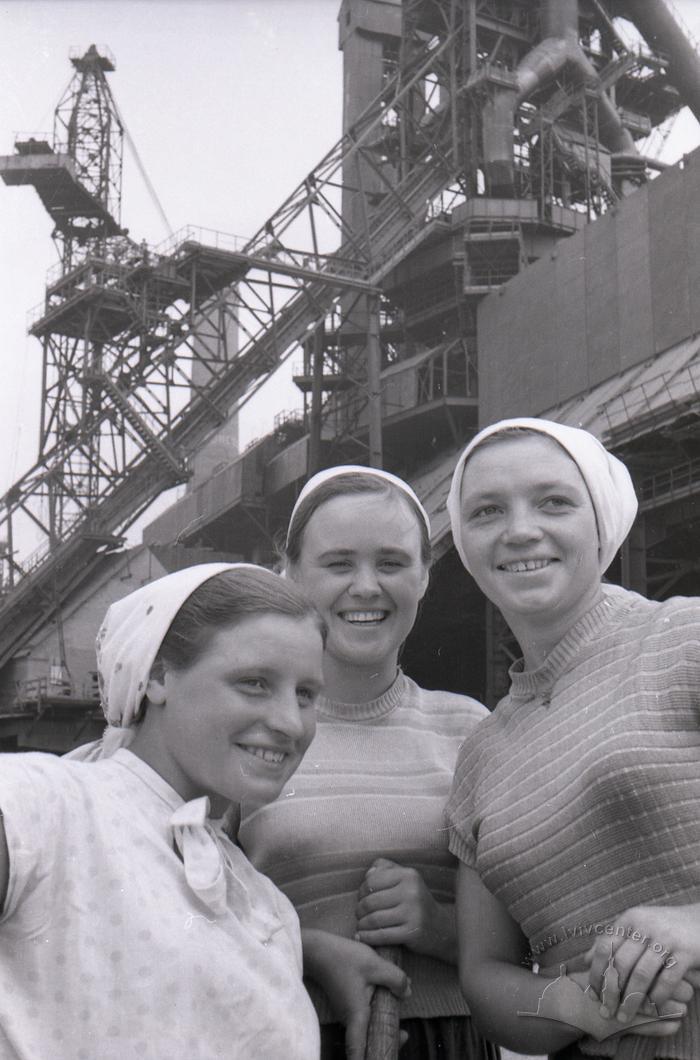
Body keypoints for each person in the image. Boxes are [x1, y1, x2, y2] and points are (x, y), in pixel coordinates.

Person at [443, 418, 700, 1060]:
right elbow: (485, 974)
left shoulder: (685, 640)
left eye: (554, 501)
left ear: (601, 519)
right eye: (487, 511)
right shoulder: (481, 755)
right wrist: (588, 1006)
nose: (520, 529)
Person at [0, 563, 325, 1060]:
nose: (289, 722)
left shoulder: (268, 906)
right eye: (255, 683)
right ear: (157, 677)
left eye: (305, 694)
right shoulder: (44, 803)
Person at [238, 466, 498, 1060]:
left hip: (447, 1041)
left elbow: (534, 936)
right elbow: (172, 912)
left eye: (390, 563)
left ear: (425, 575)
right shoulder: (244, 730)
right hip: (278, 1037)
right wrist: (308, 947)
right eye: (337, 564)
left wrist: (438, 926)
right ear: (291, 574)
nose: (365, 587)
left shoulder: (473, 730)